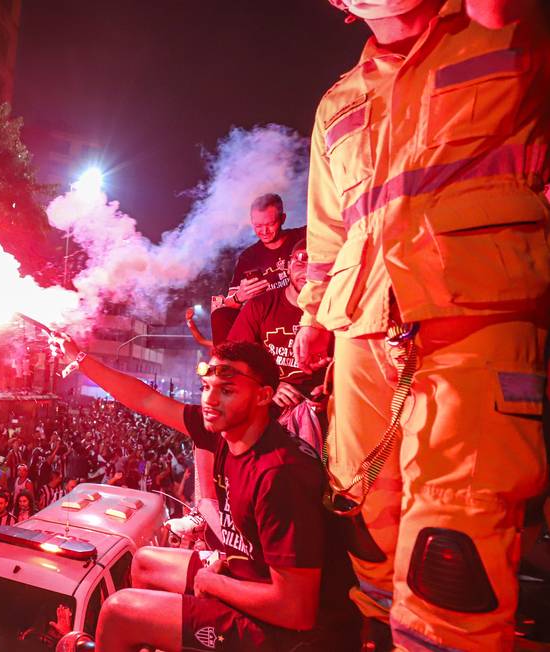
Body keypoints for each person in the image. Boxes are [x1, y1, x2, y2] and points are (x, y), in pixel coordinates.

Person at [292, 1, 550, 649]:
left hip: (478, 313)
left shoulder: (507, 26)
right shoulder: (337, 104)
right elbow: (328, 232)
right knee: (366, 527)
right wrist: (314, 324)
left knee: (453, 550)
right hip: (362, 330)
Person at [54, 338, 357, 651]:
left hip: (295, 636)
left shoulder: (280, 474)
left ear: (263, 396)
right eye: (207, 386)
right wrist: (81, 358)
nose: (210, 400)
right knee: (145, 563)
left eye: (227, 390)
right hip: (250, 578)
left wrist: (215, 583)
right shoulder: (226, 432)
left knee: (119, 612)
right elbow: (145, 399)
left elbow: (296, 610)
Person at [228, 239, 329, 452]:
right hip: (268, 414)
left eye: (315, 265)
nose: (308, 272)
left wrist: (332, 392)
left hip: (323, 418)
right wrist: (270, 385)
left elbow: (350, 362)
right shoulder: (261, 306)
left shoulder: (335, 311)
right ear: (288, 266)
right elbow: (232, 357)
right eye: (301, 262)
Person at [210, 194, 307, 346]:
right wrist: (239, 297)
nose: (264, 231)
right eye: (258, 226)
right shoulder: (248, 257)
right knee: (221, 315)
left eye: (270, 224)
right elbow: (230, 303)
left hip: (303, 306)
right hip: (268, 315)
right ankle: (227, 364)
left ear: (282, 219)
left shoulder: (303, 237)